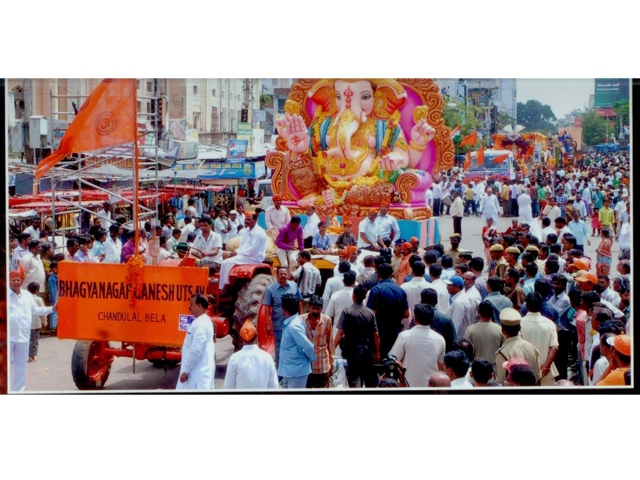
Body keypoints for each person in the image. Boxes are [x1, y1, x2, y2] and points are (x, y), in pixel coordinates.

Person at [9, 268, 56, 392]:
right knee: (4, 367)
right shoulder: (4, 295)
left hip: (23, 336)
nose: (16, 282)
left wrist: (52, 308)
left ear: (22, 281)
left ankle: (18, 392)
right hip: (7, 337)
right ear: (9, 281)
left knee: (21, 367)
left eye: (18, 279)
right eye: (13, 280)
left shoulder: (27, 295)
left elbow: (36, 310)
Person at [389, 304, 445, 388]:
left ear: (415, 319)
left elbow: (392, 359)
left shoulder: (404, 336)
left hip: (408, 386)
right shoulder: (440, 339)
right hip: (431, 388)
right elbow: (440, 366)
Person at [334, 285, 380, 388]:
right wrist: (377, 352)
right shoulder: (370, 313)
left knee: (353, 381)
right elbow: (375, 334)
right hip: (367, 352)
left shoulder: (347, 311)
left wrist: (331, 348)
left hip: (351, 352)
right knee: (369, 381)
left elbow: (340, 333)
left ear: (353, 296)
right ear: (364, 297)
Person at [366, 263, 409, 358]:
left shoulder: (376, 290)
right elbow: (406, 314)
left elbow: (371, 314)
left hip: (380, 333)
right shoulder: (401, 290)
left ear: (378, 275)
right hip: (396, 332)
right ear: (391, 275)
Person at [263, 267, 302, 367]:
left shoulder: (294, 286)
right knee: (279, 347)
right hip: (279, 324)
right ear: (277, 275)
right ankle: (280, 368)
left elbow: (299, 303)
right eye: (281, 274)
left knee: (294, 345)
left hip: (294, 323)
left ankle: (292, 366)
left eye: (285, 274)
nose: (283, 276)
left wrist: (301, 318)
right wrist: (268, 324)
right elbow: (267, 307)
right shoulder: (270, 289)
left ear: (288, 275)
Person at [223, 319, 279, 389]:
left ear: (241, 338)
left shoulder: (234, 359)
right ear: (256, 336)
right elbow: (274, 387)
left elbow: (228, 387)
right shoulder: (267, 358)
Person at [219, 212, 268, 291]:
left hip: (255, 257)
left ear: (255, 220)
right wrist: (236, 252)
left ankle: (225, 287)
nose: (247, 221)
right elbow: (242, 246)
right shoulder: (246, 231)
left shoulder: (259, 233)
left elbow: (253, 251)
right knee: (224, 261)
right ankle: (222, 285)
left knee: (227, 263)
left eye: (249, 219)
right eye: (246, 220)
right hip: (245, 255)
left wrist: (237, 253)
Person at [176, 293, 215, 390]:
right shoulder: (202, 321)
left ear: (199, 306)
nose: (189, 306)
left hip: (196, 376)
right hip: (198, 373)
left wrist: (186, 370)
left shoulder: (201, 324)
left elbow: (196, 350)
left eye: (191, 304)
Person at [520, 292, 559, 386]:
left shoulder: (519, 324)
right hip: (546, 374)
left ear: (526, 306)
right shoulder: (550, 324)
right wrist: (545, 368)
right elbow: (554, 348)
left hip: (524, 372)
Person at [277, 293, 316, 388]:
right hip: (289, 372)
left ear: (283, 309)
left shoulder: (293, 326)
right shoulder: (291, 323)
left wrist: (311, 359)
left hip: (297, 373)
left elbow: (309, 346)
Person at [495, 308, 541, 384]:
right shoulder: (532, 348)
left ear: (502, 330)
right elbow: (538, 379)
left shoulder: (502, 353)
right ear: (519, 328)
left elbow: (501, 383)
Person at [300, 295, 335, 388]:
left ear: (322, 309)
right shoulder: (300, 320)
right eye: (313, 308)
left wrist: (332, 363)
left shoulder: (327, 320)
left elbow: (330, 343)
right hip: (306, 367)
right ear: (308, 307)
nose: (315, 311)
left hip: (322, 367)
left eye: (318, 309)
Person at [464, 300, 504, 370]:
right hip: (495, 369)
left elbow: (466, 351)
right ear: (493, 313)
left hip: (477, 369)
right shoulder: (500, 330)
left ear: (478, 312)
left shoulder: (470, 330)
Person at [401, 261, 431, 330]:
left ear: (412, 272)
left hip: (407, 325)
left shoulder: (404, 287)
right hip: (426, 325)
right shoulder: (431, 287)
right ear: (424, 272)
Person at [27, 282, 47, 363]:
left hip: (26, 323)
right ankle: (32, 356)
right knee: (34, 340)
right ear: (37, 290)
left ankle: (26, 354)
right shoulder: (39, 299)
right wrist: (44, 322)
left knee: (27, 340)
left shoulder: (26, 299)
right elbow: (42, 312)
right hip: (36, 323)